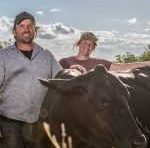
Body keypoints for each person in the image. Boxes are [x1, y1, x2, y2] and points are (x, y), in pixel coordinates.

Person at [0, 11, 62, 148]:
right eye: (21, 26)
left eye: (30, 26)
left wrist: (74, 70)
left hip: (40, 122)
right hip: (10, 122)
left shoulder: (47, 55)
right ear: (14, 31)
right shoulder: (3, 56)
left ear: (35, 30)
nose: (26, 29)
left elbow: (61, 79)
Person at [59, 32, 150, 72]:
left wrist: (147, 63)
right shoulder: (64, 62)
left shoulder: (99, 64)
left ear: (94, 48)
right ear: (78, 44)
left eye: (91, 44)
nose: (87, 46)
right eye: (85, 43)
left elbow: (124, 67)